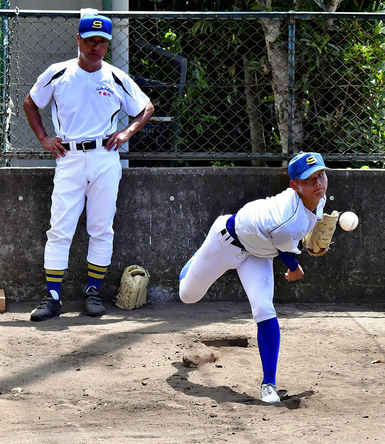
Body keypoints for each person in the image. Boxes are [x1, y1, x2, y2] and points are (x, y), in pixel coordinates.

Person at [23, 13, 154, 321]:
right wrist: (43, 137)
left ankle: (93, 291)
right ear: (78, 39)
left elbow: (145, 107)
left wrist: (125, 133)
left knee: (101, 227)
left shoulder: (115, 76)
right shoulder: (59, 73)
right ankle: (52, 296)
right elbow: (31, 102)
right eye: (91, 40)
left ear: (108, 44)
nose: (96, 47)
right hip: (68, 156)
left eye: (103, 42)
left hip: (104, 157)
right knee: (60, 228)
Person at [179, 152, 330, 403]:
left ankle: (268, 384)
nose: (318, 183)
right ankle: (196, 260)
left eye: (321, 175)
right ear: (295, 185)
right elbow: (290, 260)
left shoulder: (318, 200)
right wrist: (296, 271)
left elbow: (304, 226)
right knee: (188, 296)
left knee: (264, 310)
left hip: (257, 254)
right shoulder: (288, 222)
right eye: (309, 179)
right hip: (225, 241)